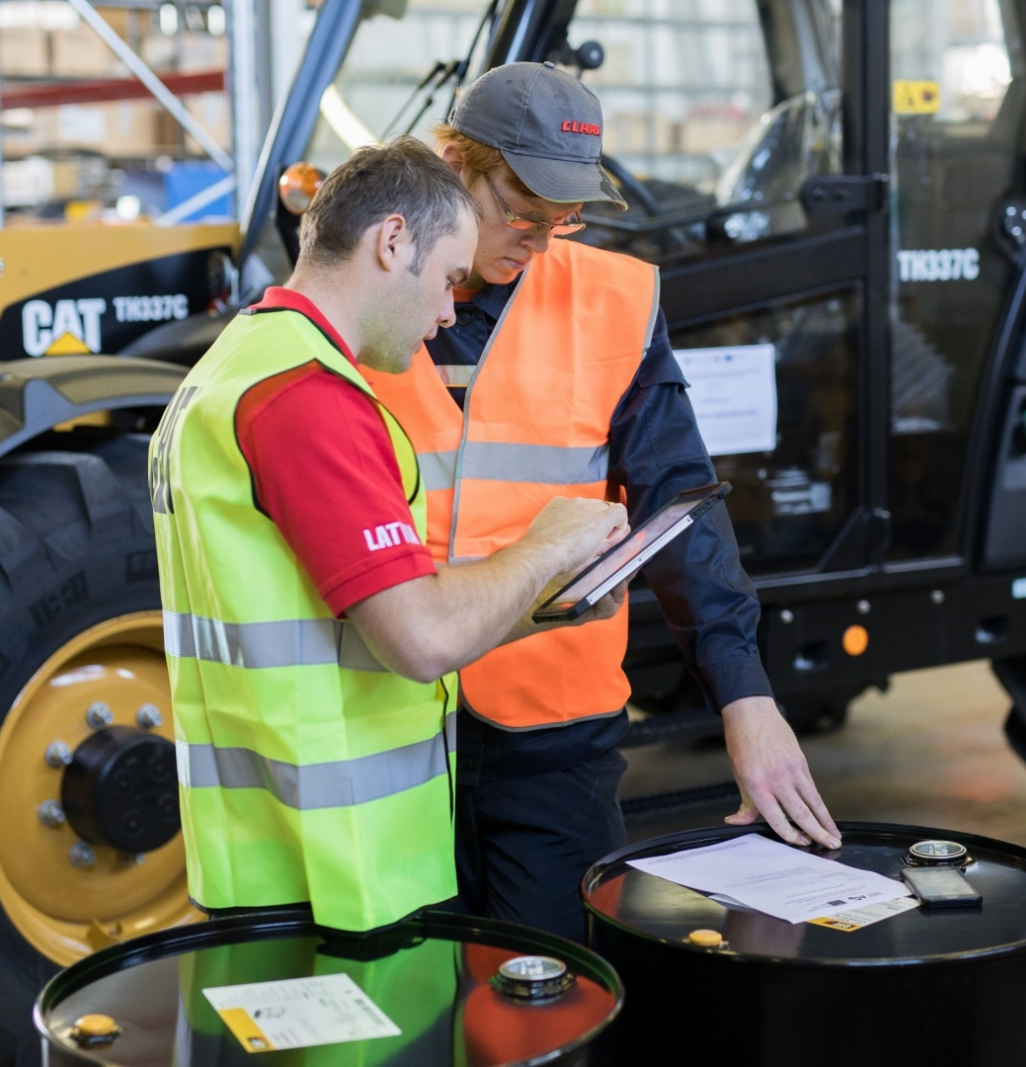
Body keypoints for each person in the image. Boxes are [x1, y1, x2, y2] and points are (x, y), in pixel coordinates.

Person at [372, 62, 841, 941]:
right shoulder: (365, 296)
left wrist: (747, 697)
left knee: (555, 997)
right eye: (521, 210)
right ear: (450, 163)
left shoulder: (615, 301)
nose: (541, 241)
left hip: (552, 739)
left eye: (565, 218)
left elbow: (680, 507)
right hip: (386, 728)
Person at [150, 138, 629, 934]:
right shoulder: (308, 397)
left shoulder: (237, 364)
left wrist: (539, 607)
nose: (449, 311)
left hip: (270, 851)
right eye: (447, 279)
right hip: (341, 873)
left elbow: (344, 630)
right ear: (392, 241)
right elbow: (418, 637)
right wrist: (547, 544)